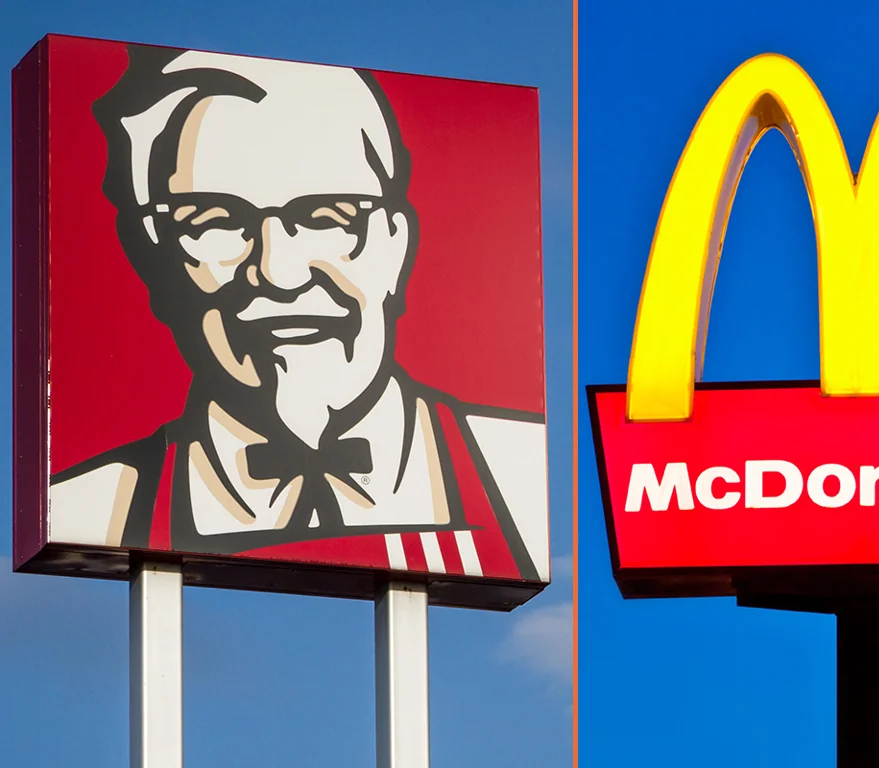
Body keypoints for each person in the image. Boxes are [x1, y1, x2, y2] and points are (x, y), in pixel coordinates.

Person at [49, 46, 549, 584]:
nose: (280, 272)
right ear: (158, 256)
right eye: (216, 219)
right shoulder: (92, 506)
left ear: (395, 244)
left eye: (328, 216)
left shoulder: (514, 473)